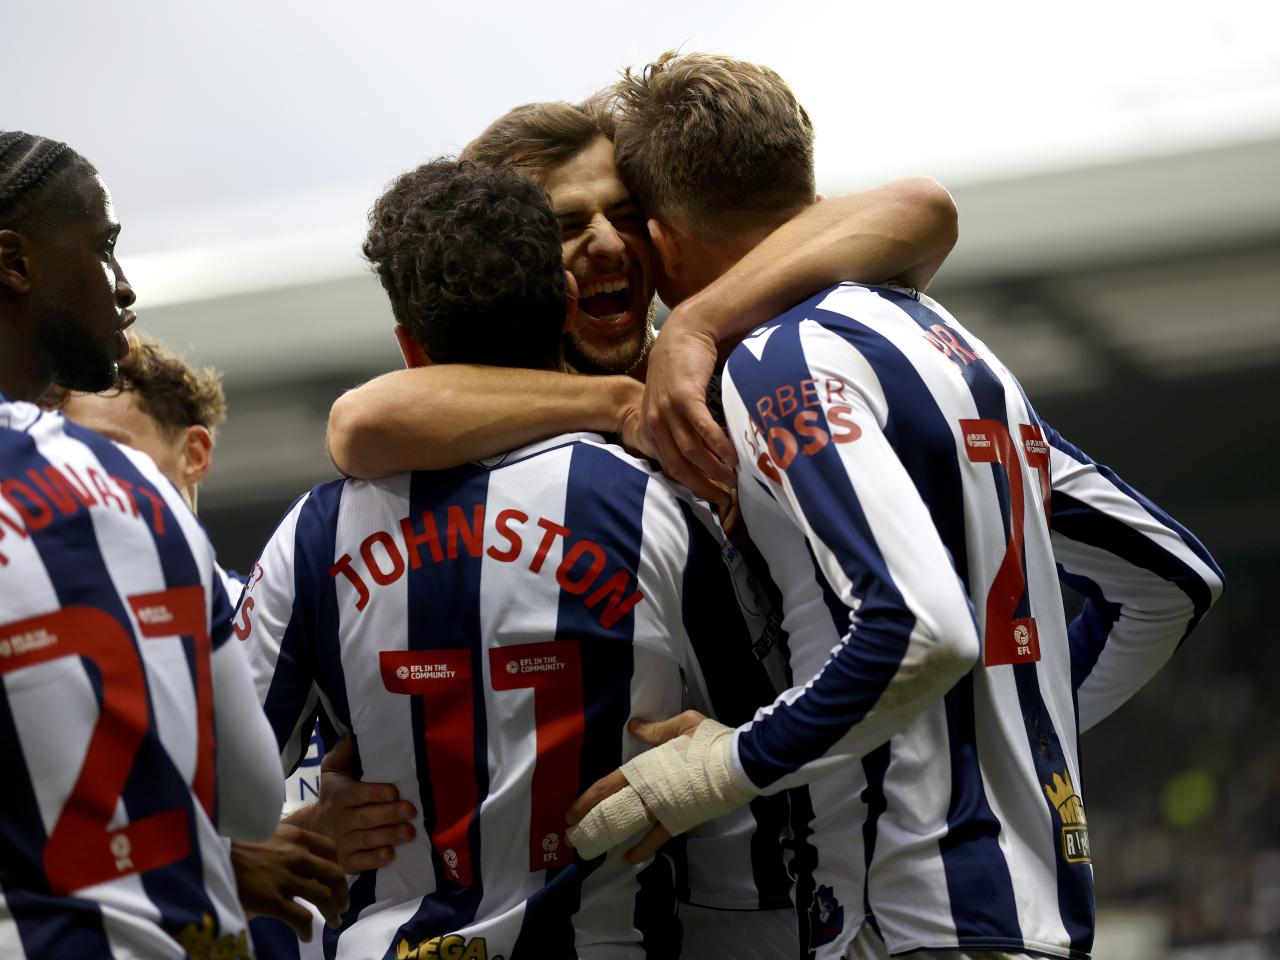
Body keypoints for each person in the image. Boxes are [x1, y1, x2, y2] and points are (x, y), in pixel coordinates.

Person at [566, 52, 1227, 960]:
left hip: (912, 916)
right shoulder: (957, 351)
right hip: (1034, 910)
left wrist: (718, 770)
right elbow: (1171, 580)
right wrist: (1007, 731)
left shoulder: (777, 364)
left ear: (666, 238)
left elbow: (919, 629)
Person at [319, 98, 960, 957]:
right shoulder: (489, 427)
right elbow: (359, 423)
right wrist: (618, 402)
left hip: (814, 883)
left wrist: (692, 327)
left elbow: (922, 209)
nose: (609, 244)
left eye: (625, 216)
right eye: (565, 225)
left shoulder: (735, 359)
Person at [236, 157, 791, 958]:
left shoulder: (312, 533)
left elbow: (214, 792)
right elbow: (768, 735)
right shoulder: (657, 503)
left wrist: (312, 822)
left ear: (408, 346)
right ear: (566, 305)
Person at [0, 131, 283, 957]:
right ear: (12, 262)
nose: (123, 287)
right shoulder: (138, 486)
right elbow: (255, 799)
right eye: (104, 249)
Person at [41, 333, 349, 952]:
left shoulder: (297, 617)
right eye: (70, 464)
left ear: (195, 453)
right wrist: (232, 855)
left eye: (113, 453)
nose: (89, 483)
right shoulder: (48, 653)